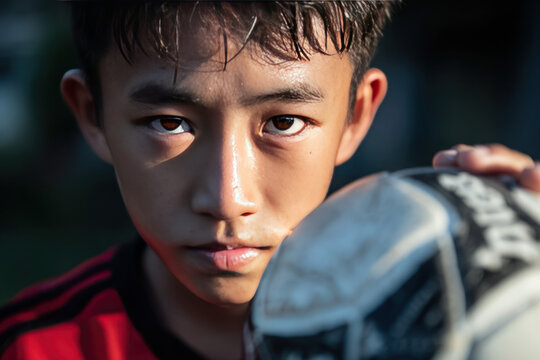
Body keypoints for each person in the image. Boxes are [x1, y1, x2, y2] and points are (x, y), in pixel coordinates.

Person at [0, 2, 538, 359]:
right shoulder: (30, 346)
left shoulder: (464, 326)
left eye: (283, 122)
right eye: (170, 123)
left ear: (356, 114)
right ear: (94, 116)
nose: (227, 197)